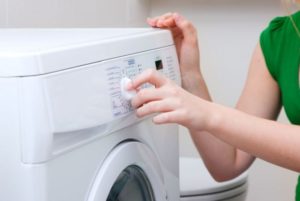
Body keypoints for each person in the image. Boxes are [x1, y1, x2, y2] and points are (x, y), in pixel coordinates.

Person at [126, 2, 300, 200]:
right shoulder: (279, 39)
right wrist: (190, 76)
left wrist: (209, 114)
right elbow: (228, 163)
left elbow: (213, 119)